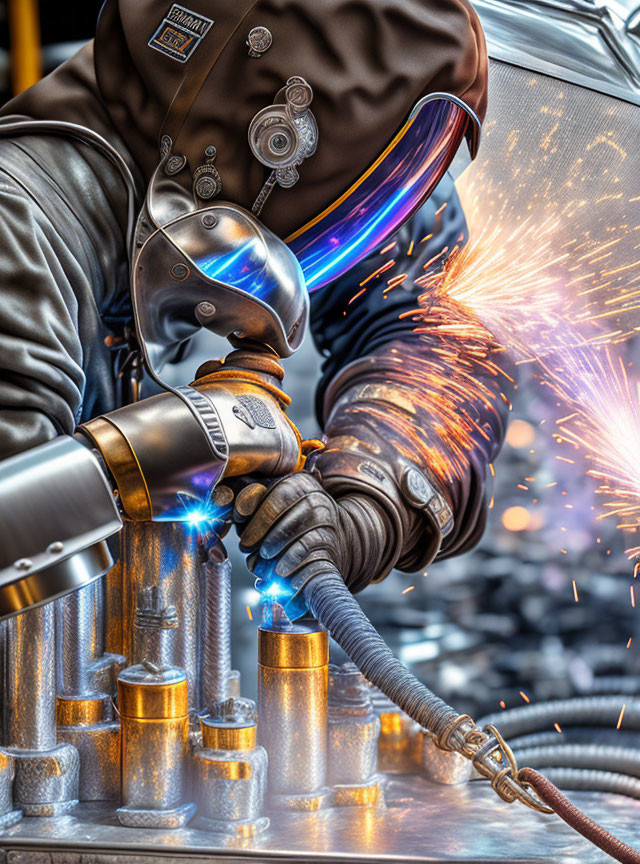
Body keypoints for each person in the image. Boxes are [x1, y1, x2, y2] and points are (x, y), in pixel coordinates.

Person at [0, 0, 509, 605]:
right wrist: (169, 445)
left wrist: (368, 499)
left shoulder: (354, 110)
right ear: (260, 138)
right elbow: (20, 550)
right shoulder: (19, 235)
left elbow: (436, 334)